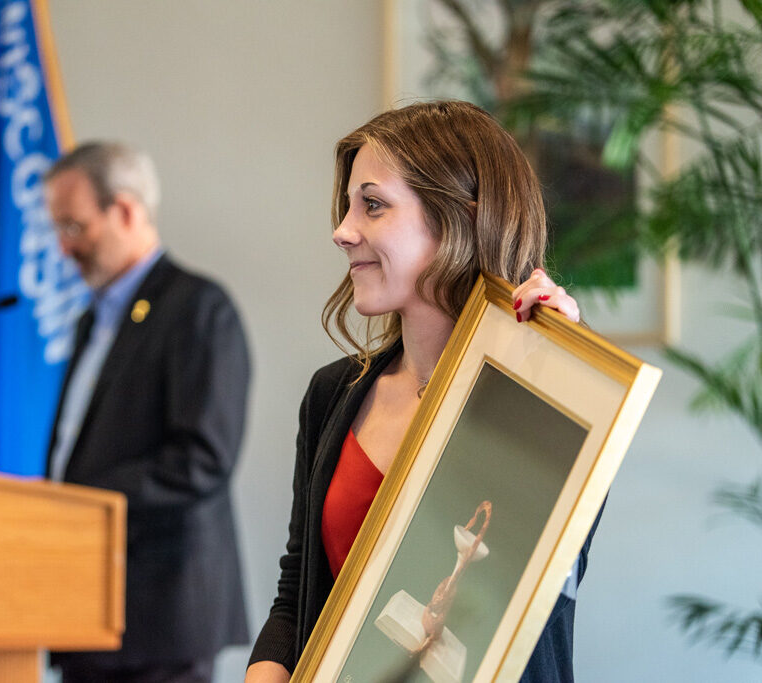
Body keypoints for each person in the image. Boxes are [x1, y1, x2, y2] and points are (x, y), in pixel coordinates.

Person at [246, 101, 592, 683]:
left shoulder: (544, 403)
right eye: (348, 205)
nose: (341, 231)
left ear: (460, 218)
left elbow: (546, 588)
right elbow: (299, 587)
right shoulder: (333, 394)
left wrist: (555, 381)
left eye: (373, 205)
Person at [43, 141, 251, 683]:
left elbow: (202, 459)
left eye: (74, 227)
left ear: (127, 211)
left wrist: (82, 502)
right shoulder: (93, 320)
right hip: (90, 606)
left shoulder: (198, 309)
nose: (65, 249)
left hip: (158, 617)